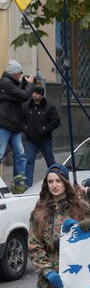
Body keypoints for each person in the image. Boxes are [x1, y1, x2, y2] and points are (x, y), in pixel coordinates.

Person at [0, 60, 35, 192]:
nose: (21, 76)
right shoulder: (5, 82)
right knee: (0, 153)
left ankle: (18, 184)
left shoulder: (12, 83)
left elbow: (20, 95)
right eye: (20, 74)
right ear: (15, 73)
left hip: (14, 126)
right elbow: (25, 95)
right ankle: (18, 183)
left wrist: (25, 84)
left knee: (20, 155)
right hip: (4, 124)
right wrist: (30, 84)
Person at [22, 86, 60, 187]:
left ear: (42, 95)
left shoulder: (49, 107)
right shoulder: (26, 106)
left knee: (50, 161)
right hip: (31, 140)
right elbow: (22, 120)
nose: (34, 95)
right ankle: (27, 185)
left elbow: (56, 121)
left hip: (45, 139)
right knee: (29, 161)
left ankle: (56, 180)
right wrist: (26, 129)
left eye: (37, 93)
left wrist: (45, 129)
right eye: (34, 93)